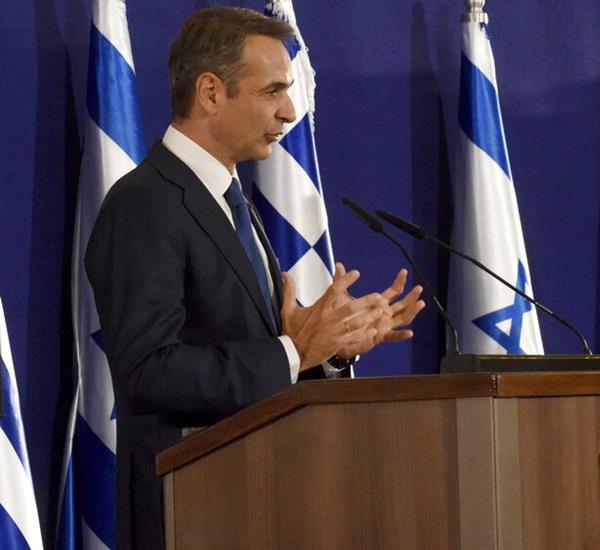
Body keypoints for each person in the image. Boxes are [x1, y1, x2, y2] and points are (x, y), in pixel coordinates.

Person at [85, 8, 425, 550]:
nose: (289, 110)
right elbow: (149, 372)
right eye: (272, 92)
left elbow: (254, 358)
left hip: (260, 502)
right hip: (189, 514)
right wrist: (294, 350)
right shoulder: (145, 205)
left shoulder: (228, 199)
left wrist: (326, 351)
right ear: (211, 93)